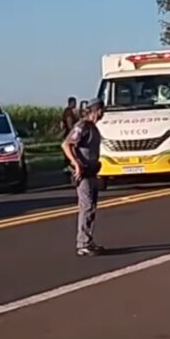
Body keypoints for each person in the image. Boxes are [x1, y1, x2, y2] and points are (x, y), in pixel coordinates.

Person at [62, 99, 107, 257]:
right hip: (83, 173)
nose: (103, 113)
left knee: (91, 208)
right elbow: (66, 145)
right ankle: (82, 244)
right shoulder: (82, 126)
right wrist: (77, 164)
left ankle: (88, 240)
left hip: (92, 172)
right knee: (86, 207)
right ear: (95, 110)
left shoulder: (94, 128)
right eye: (101, 110)